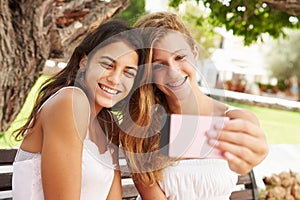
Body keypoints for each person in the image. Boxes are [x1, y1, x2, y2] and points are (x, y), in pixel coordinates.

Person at [120, 12, 269, 200]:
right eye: (159, 65)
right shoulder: (142, 128)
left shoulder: (235, 119)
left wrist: (251, 155)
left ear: (195, 53)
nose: (173, 72)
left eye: (180, 57)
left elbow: (245, 162)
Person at [12, 19, 152, 200]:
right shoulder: (69, 102)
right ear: (84, 61)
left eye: (128, 72)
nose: (115, 79)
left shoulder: (108, 126)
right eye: (108, 65)